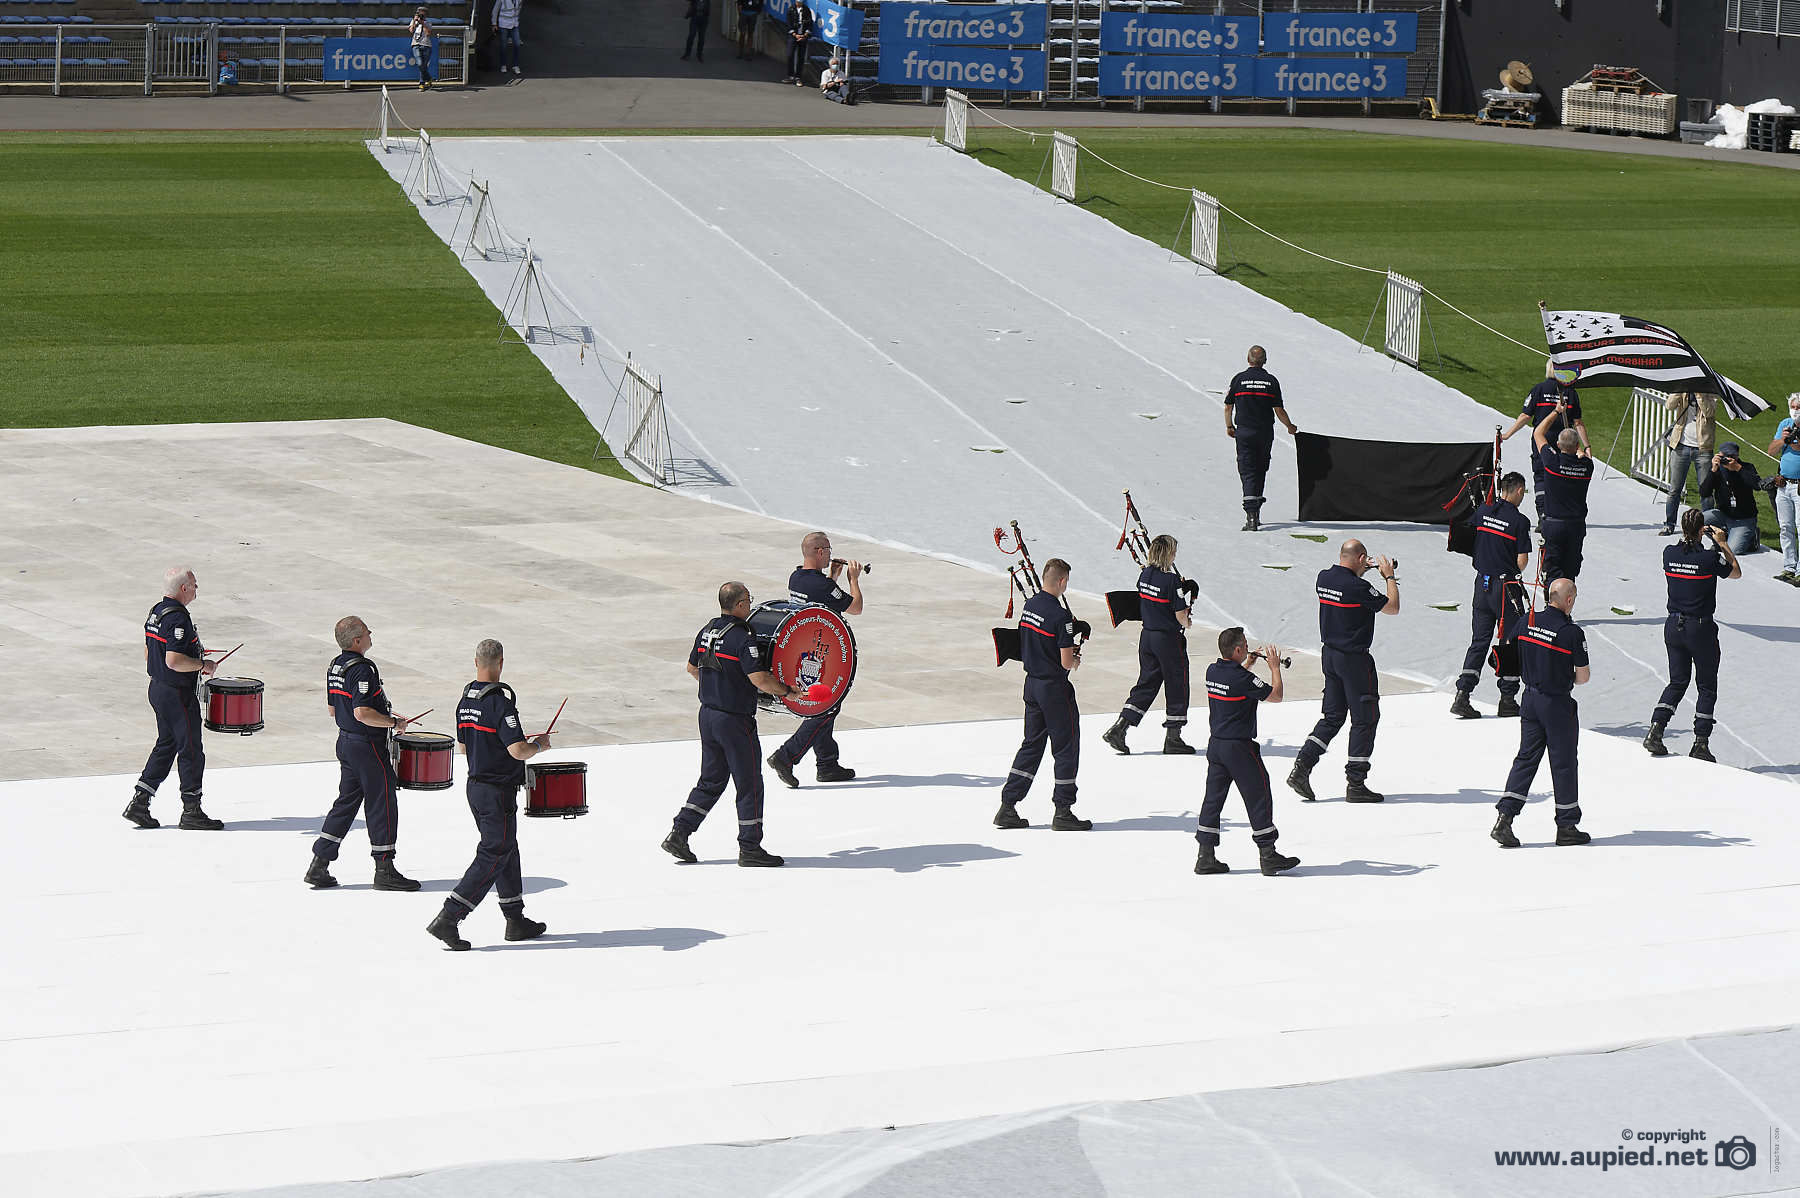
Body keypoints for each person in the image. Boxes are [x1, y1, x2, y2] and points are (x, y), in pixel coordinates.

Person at [426, 639, 553, 951]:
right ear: (501, 663)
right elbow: (519, 750)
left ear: (475, 662)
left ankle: (515, 918)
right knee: (494, 854)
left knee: (506, 849)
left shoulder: (465, 700)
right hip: (497, 791)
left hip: (476, 787)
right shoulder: (500, 703)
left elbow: (464, 747)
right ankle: (449, 916)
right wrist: (540, 746)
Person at [665, 582, 800, 868]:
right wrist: (788, 691)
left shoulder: (707, 630)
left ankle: (680, 832)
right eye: (748, 601)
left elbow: (692, 668)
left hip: (708, 715)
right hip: (734, 721)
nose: (750, 605)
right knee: (749, 782)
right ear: (739, 605)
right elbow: (759, 679)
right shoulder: (742, 638)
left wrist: (718, 688)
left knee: (711, 780)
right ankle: (750, 847)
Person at [304, 616, 421, 892]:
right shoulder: (363, 669)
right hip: (366, 745)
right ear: (357, 640)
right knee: (382, 802)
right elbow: (363, 712)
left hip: (345, 742)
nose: (371, 635)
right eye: (367, 632)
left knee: (346, 802)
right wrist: (393, 723)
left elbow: (334, 709)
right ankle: (385, 868)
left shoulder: (336, 665)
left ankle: (320, 862)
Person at [1286, 540, 1399, 804]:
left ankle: (1302, 766)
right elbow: (1392, 607)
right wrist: (1389, 576)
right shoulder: (1359, 587)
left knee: (1333, 716)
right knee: (1365, 717)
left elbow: (1346, 583)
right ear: (1360, 558)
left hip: (1330, 656)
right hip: (1355, 661)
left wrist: (1364, 569)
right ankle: (1356, 783)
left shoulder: (1323, 578)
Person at [1491, 578, 1590, 849]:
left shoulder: (1527, 621)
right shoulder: (1572, 633)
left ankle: (1505, 818)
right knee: (1564, 763)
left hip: (1530, 700)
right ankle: (1567, 825)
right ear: (1568, 600)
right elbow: (1583, 677)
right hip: (1557, 704)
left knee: (1525, 759)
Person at [994, 558, 1091, 832]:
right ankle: (1063, 810)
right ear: (1061, 581)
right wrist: (1075, 659)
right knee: (1066, 746)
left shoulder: (1030, 606)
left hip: (1032, 685)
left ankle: (1008, 804)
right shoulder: (1061, 617)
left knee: (1032, 744)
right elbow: (1066, 662)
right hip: (1054, 688)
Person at [123, 567, 223, 831]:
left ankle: (140, 802)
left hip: (158, 688)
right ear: (183, 589)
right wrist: (203, 664)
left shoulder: (156, 611)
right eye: (194, 584)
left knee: (166, 746)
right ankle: (192, 810)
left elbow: (150, 652)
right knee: (190, 749)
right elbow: (174, 660)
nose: (196, 588)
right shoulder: (178, 619)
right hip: (177, 693)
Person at [1195, 628, 1299, 877]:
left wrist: (1248, 663)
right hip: (1239, 748)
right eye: (1245, 645)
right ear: (1238, 649)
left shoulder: (1213, 671)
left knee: (1213, 799)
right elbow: (1276, 696)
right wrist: (1274, 668)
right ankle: (1268, 854)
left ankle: (1205, 855)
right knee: (1258, 793)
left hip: (1217, 745)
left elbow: (1235, 682)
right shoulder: (1242, 679)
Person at [1643, 509, 1742, 763]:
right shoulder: (1709, 559)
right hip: (1700, 628)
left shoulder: (1669, 554)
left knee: (1677, 682)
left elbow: (1686, 553)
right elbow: (1735, 572)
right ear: (1702, 530)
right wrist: (1721, 544)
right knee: (1706, 686)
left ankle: (1656, 729)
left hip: (1673, 624)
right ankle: (1700, 742)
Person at [767, 531, 863, 787]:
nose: (831, 554)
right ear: (820, 552)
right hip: (818, 652)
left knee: (827, 704)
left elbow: (821, 599)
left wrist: (832, 577)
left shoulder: (797, 577)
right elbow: (855, 607)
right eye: (829, 550)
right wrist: (853, 580)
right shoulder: (822, 586)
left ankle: (827, 763)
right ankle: (786, 756)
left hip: (801, 649)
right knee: (827, 706)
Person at [1103, 534, 1194, 756]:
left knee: (1146, 684)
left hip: (1147, 638)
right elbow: (1181, 615)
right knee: (1177, 684)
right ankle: (1173, 736)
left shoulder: (1144, 575)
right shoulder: (1172, 581)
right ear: (1168, 554)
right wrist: (1188, 620)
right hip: (1168, 639)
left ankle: (1121, 726)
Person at [1450, 472, 1532, 720]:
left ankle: (1463, 694)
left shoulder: (1483, 512)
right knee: (1509, 641)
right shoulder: (1519, 521)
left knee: (1479, 641)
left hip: (1481, 584)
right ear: (1518, 490)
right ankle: (1507, 698)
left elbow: (1470, 535)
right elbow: (1522, 560)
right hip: (1505, 588)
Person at [1222, 344, 1297, 532]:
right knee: (1261, 468)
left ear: (1248, 359)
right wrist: (1289, 426)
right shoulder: (1271, 381)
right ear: (1264, 361)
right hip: (1264, 433)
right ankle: (1257, 512)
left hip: (1244, 432)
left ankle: (1251, 517)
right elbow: (1278, 410)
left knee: (1247, 470)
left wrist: (1229, 425)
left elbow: (1228, 406)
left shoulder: (1238, 380)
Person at [1503, 361, 1589, 517]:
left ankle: (1542, 512)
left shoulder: (1539, 389)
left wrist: (1508, 434)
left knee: (1541, 475)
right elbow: (1578, 422)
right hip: (1565, 441)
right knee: (1561, 474)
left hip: (1542, 440)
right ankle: (1557, 509)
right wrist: (1586, 447)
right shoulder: (1571, 393)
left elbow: (1525, 416)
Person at [1533, 400, 1592, 584]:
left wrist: (1556, 411)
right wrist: (1581, 448)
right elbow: (1584, 455)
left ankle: (1553, 606)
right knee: (1570, 572)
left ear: (1558, 445)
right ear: (1576, 447)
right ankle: (1566, 609)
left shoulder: (1552, 463)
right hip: (1576, 526)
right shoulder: (1587, 467)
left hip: (1554, 525)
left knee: (1553, 571)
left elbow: (1538, 433)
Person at [1659, 391, 1717, 535]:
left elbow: (1709, 412)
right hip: (1680, 446)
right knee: (1674, 490)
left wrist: (1699, 396)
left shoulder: (1710, 392)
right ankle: (1669, 524)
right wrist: (1679, 390)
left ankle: (1708, 527)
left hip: (1703, 448)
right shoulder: (1683, 390)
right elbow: (1669, 405)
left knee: (1706, 491)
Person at [1698, 442, 1764, 556]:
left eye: (1732, 456)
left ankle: (1752, 537)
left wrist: (1738, 468)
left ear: (1737, 456)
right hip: (1723, 515)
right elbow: (1704, 492)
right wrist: (1713, 470)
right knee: (1698, 520)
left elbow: (1757, 485)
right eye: (1725, 456)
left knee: (1733, 551)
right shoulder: (1718, 470)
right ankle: (1719, 541)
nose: (1728, 459)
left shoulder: (1747, 467)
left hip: (1744, 518)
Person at [1768, 394, 1800, 584]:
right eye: (1794, 406)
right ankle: (1789, 567)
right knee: (1785, 528)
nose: (1796, 409)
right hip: (1784, 484)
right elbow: (1771, 450)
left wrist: (1796, 441)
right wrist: (1784, 439)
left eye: (1799, 407)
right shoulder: (1785, 424)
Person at [783, 0, 814, 85]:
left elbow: (810, 23)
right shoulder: (791, 9)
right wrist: (794, 34)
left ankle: (798, 77)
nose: (799, 3)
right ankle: (790, 75)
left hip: (803, 36)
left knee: (801, 57)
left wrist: (805, 35)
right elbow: (788, 23)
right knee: (790, 55)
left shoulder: (807, 10)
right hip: (793, 36)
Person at [493, 0, 522, 76]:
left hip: (514, 24)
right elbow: (495, 10)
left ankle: (515, 65)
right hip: (504, 24)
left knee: (517, 44)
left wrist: (517, 19)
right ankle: (503, 64)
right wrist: (494, 23)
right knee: (504, 46)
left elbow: (519, 8)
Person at [409, 7, 435, 90]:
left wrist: (423, 23)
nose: (421, 13)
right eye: (419, 12)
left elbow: (428, 34)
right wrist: (414, 21)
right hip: (416, 44)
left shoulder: (428, 23)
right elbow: (411, 30)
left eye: (422, 12)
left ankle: (422, 83)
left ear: (425, 14)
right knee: (420, 64)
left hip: (426, 45)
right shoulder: (414, 21)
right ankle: (429, 78)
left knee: (424, 66)